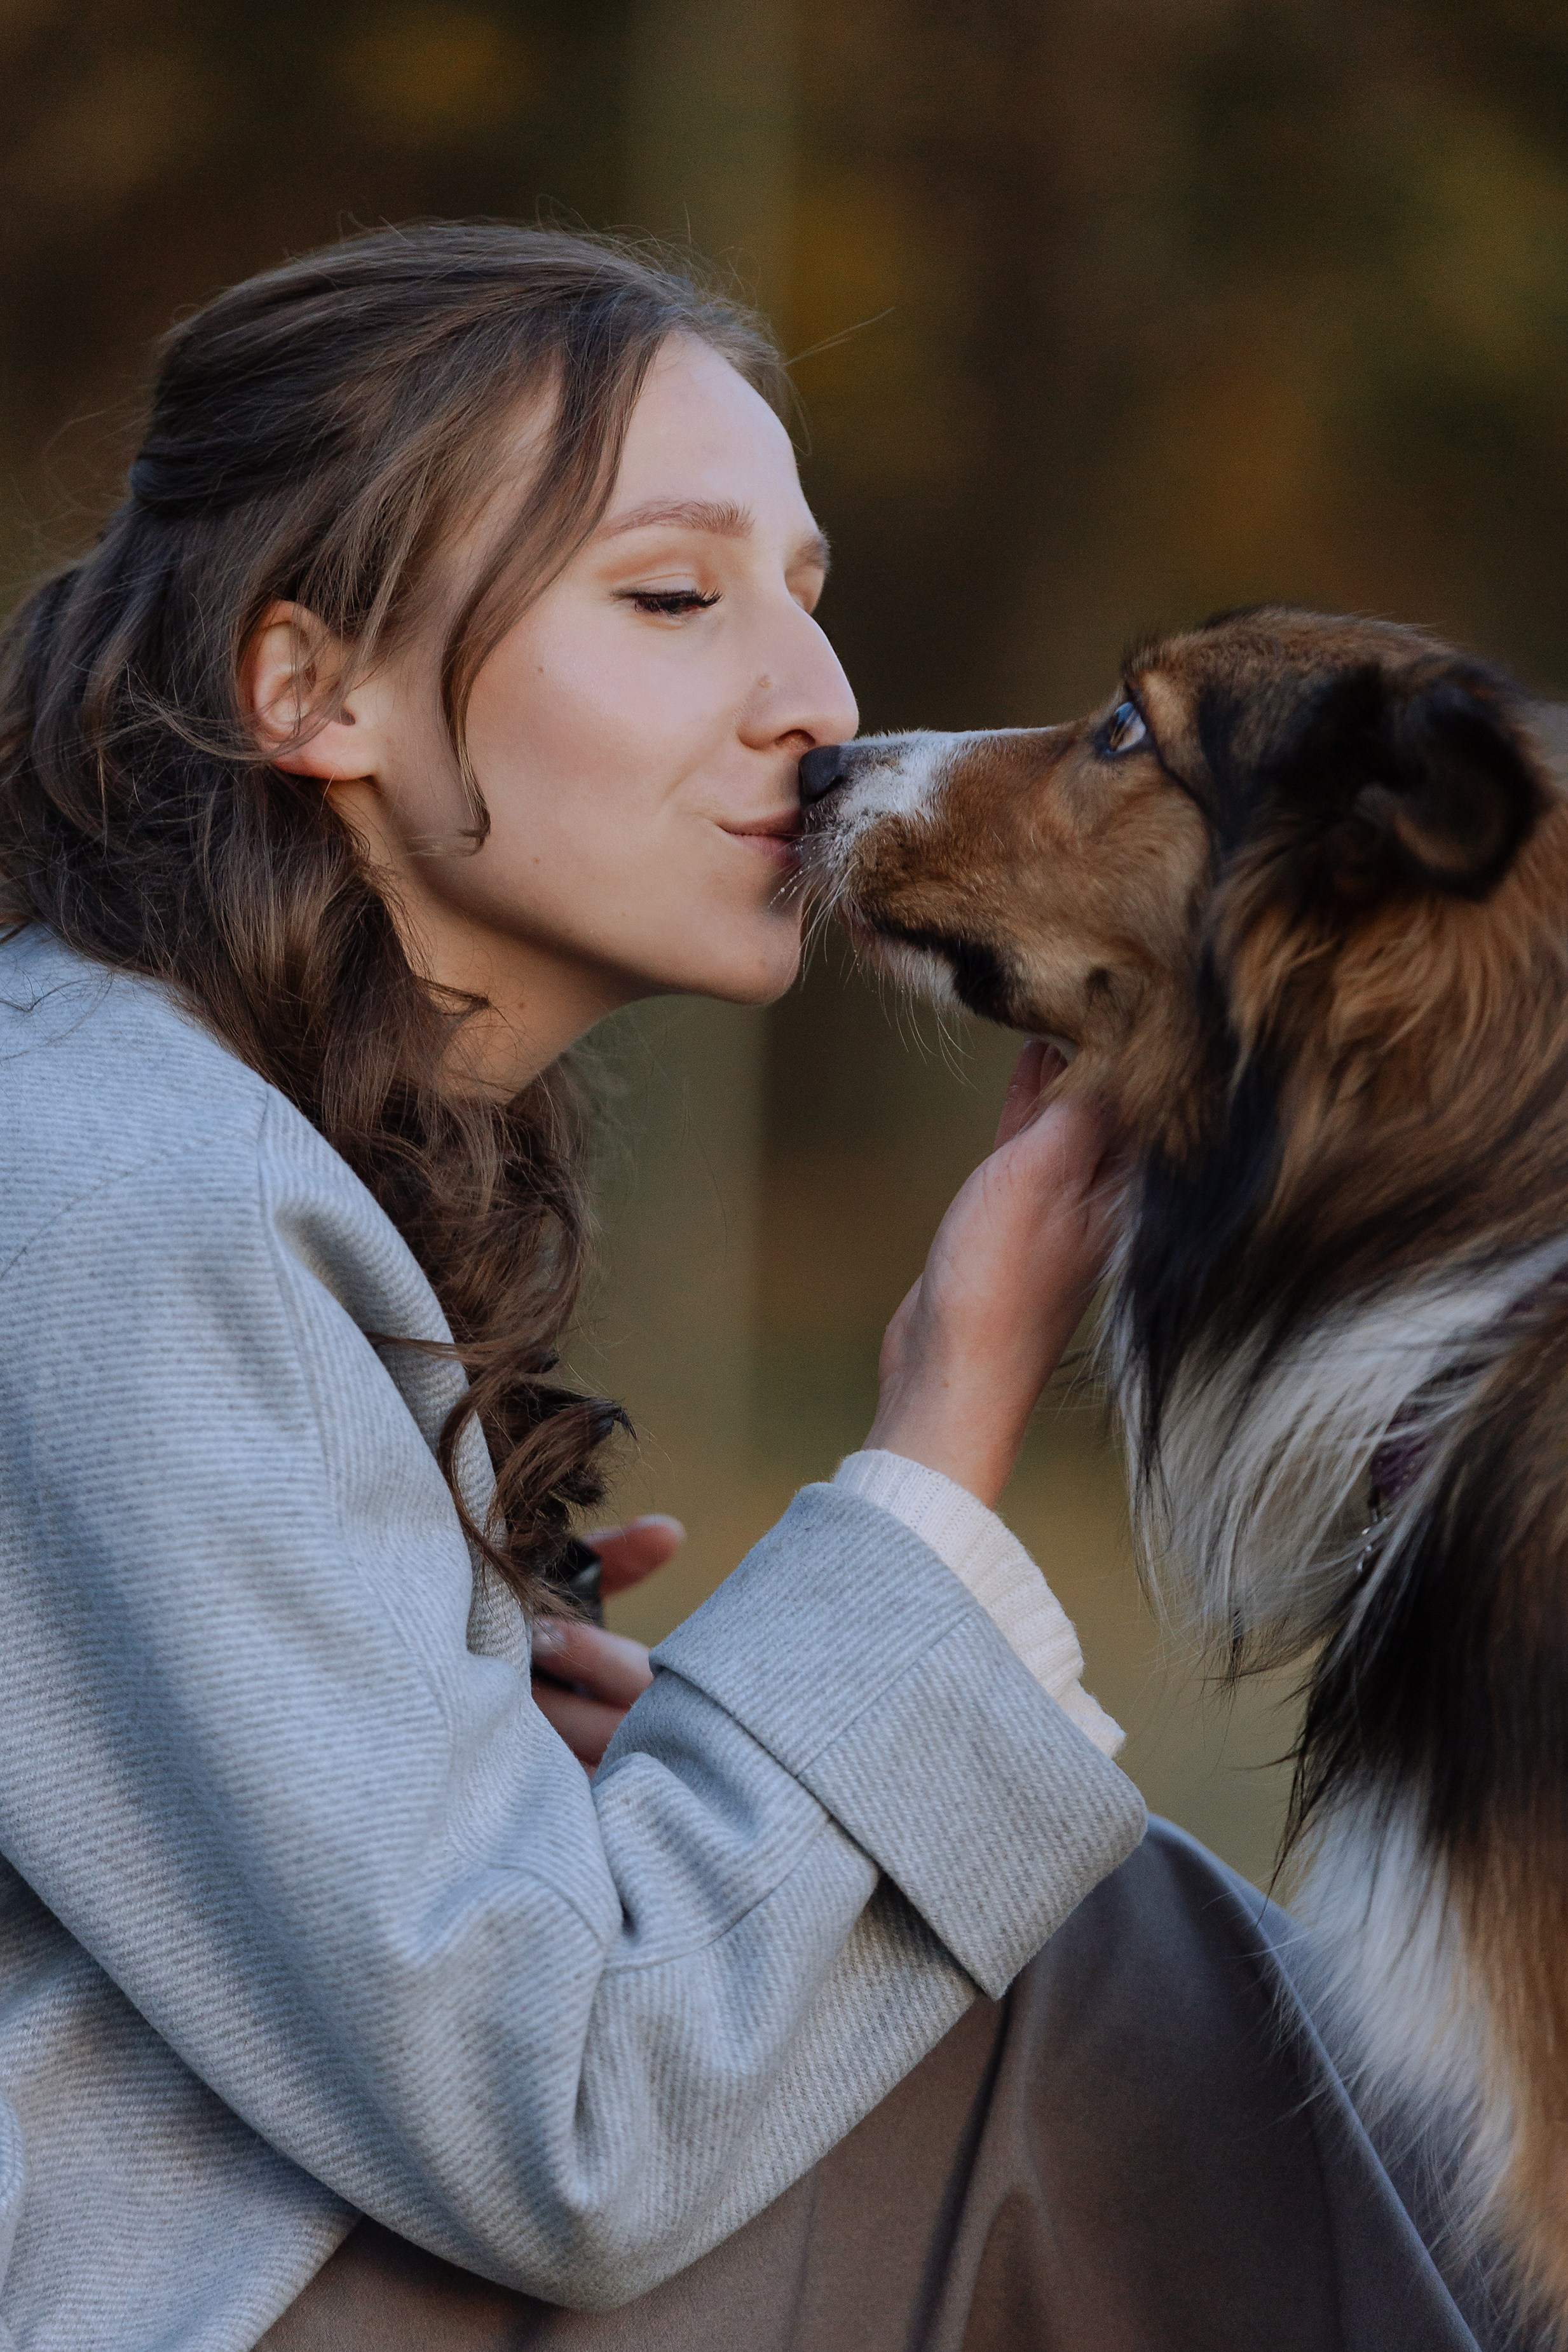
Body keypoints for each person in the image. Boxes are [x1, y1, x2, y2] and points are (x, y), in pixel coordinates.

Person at [0, 225, 1502, 2352]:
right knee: (1071, 2001)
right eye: (673, 599)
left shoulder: (149, 1133)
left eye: (805, 602)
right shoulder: (121, 1179)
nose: (814, 710)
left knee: (1100, 1948)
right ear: (309, 687)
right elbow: (563, 2123)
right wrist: (944, 1424)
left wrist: (469, 1712)